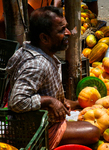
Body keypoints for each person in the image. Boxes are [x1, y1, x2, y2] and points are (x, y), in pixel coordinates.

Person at [6, 6, 100, 150]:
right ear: (44, 38)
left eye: (66, 28)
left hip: (44, 121)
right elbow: (17, 101)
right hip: (35, 131)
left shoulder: (40, 52)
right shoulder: (36, 65)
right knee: (94, 132)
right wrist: (49, 101)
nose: (68, 33)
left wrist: (69, 103)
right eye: (62, 30)